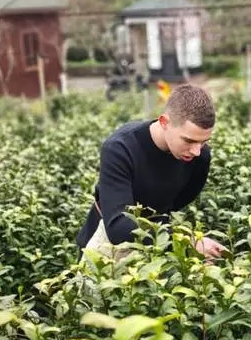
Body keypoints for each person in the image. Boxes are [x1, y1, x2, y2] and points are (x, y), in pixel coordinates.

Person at [76, 83, 227, 262]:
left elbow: (178, 201)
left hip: (156, 245)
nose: (196, 151)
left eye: (203, 142)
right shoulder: (121, 148)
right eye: (188, 140)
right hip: (104, 249)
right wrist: (188, 242)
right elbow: (117, 227)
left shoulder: (200, 157)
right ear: (164, 122)